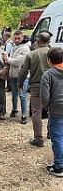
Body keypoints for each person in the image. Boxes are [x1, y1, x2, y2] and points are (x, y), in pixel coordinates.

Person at [18, 31, 51, 147]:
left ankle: (38, 138)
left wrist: (20, 84)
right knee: (52, 110)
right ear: (49, 41)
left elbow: (23, 71)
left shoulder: (31, 54)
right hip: (53, 86)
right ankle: (50, 132)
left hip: (37, 87)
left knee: (36, 112)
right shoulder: (55, 52)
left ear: (38, 41)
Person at [40, 47, 63, 177]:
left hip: (57, 110)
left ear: (49, 60)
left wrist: (47, 106)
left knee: (58, 137)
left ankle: (59, 166)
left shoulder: (48, 74)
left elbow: (45, 97)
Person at [3, 30, 30, 124]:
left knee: (22, 95)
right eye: (15, 38)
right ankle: (14, 109)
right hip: (13, 74)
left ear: (22, 38)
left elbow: (18, 62)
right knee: (14, 94)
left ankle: (24, 115)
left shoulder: (25, 48)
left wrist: (7, 59)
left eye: (19, 38)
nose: (17, 40)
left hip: (22, 75)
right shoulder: (14, 46)